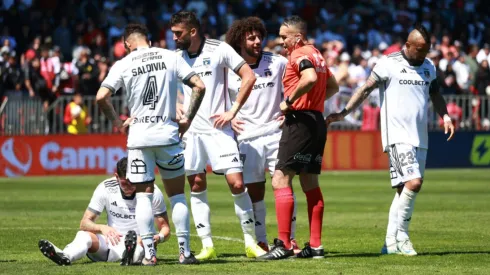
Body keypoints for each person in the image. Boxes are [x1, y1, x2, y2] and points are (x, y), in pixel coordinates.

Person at [326, 24, 455, 256]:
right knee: (414, 183)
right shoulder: (389, 63)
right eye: (419, 49)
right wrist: (343, 113)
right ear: (407, 45)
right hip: (397, 136)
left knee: (402, 191)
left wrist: (444, 115)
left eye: (426, 50)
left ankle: (390, 243)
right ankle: (403, 238)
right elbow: (365, 89)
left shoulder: (429, 66)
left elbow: (435, 94)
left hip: (420, 138)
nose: (423, 54)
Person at [96, 23, 206, 265]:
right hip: (167, 136)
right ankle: (184, 253)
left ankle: (149, 255)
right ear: (147, 38)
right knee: (177, 195)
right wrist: (186, 118)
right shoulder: (170, 56)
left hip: (139, 139)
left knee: (144, 197)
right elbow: (200, 85)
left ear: (126, 43)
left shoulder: (124, 63)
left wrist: (117, 123)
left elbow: (101, 96)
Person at [170, 11, 265, 260]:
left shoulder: (219, 49)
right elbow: (170, 88)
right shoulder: (176, 57)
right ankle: (207, 245)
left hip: (218, 129)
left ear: (192, 31)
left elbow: (249, 76)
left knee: (237, 183)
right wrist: (177, 105)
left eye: (177, 33)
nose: (173, 37)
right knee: (197, 185)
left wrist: (232, 111)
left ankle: (250, 242)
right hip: (191, 133)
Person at [259, 15, 339, 260]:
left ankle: (283, 245)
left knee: (280, 179)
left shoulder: (298, 54)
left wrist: (290, 102)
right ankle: (315, 246)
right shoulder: (318, 55)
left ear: (298, 37)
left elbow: (310, 78)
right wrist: (311, 102)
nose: (282, 42)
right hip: (316, 120)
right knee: (310, 185)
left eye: (284, 37)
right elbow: (332, 86)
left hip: (300, 122)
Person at [225, 16, 300, 253]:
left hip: (276, 133)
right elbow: (217, 98)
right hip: (247, 138)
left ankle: (291, 239)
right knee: (255, 191)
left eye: (259, 36)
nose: (258, 41)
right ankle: (261, 240)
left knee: (284, 185)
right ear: (240, 40)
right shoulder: (229, 69)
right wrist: (230, 115)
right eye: (251, 37)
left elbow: (295, 87)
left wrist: (290, 110)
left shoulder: (277, 62)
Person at [38, 157, 171, 266]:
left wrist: (158, 238)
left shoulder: (151, 191)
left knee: (140, 242)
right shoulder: (105, 188)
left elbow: (165, 228)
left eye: (132, 183)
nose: (129, 187)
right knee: (84, 235)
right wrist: (102, 228)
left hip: (141, 240)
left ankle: (131, 255)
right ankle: (65, 256)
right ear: (116, 177)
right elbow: (84, 223)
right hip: (111, 242)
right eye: (124, 183)